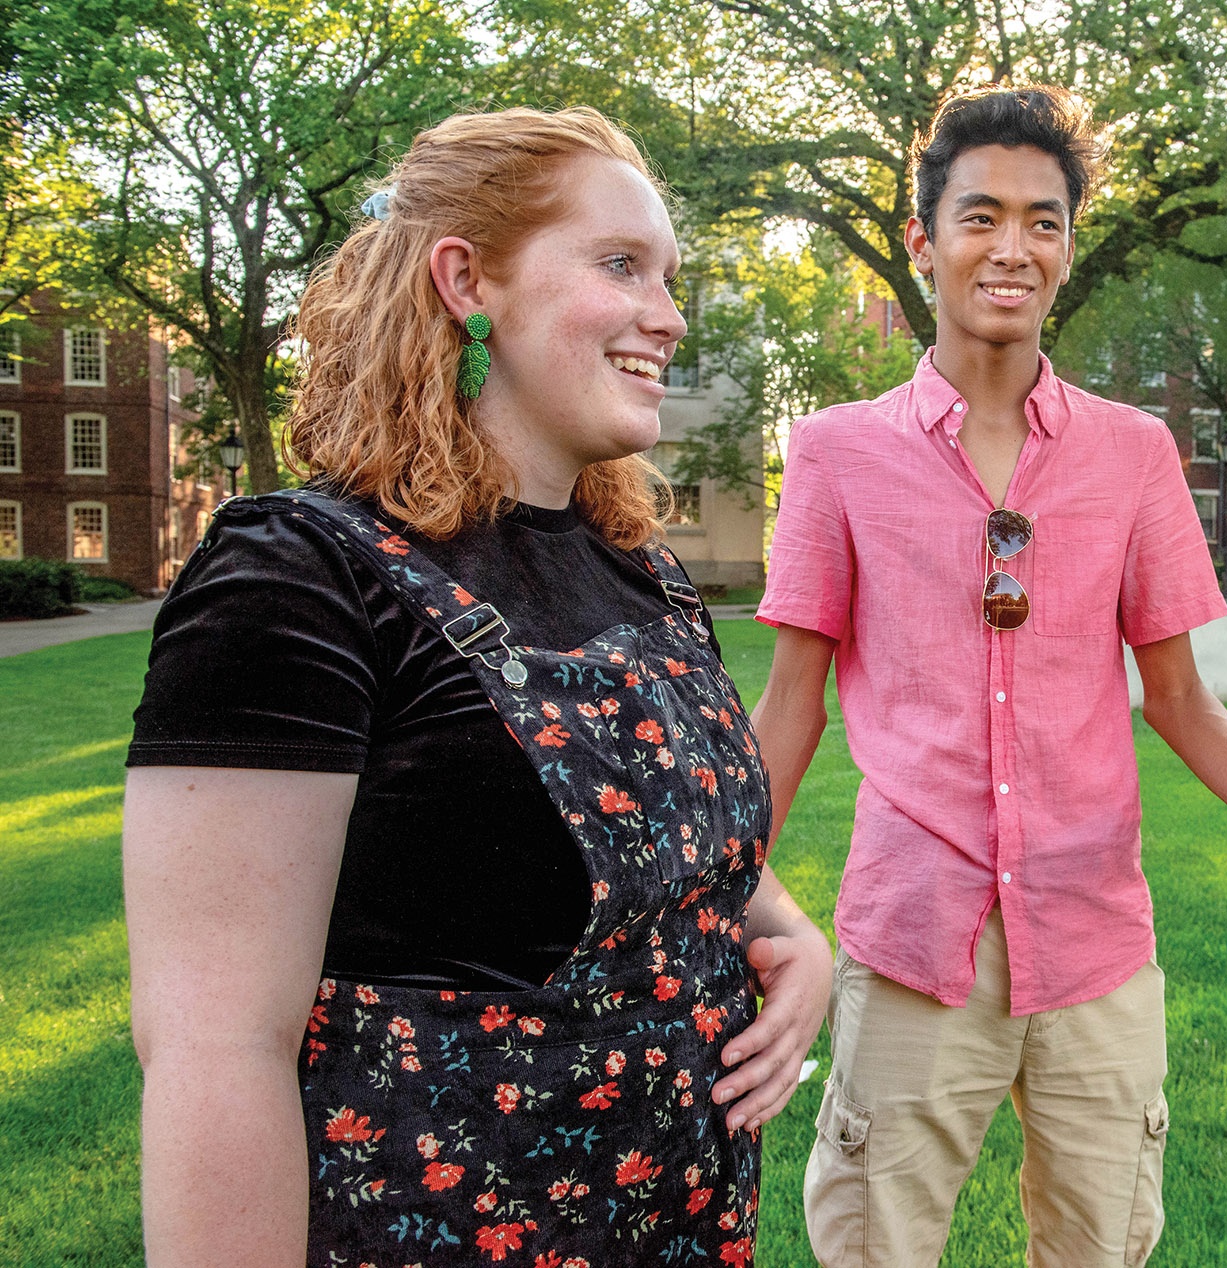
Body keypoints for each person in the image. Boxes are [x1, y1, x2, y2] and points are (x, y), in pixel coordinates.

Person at [748, 85, 1227, 1268]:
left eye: (1044, 221)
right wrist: (712, 891)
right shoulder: (837, 451)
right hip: (912, 939)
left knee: (1101, 1248)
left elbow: (1180, 691)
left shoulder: (1134, 451)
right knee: (873, 1247)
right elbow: (791, 707)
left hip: (1095, 942)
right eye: (980, 215)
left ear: (1068, 248)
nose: (1012, 247)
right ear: (921, 237)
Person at [121, 107, 830, 1267]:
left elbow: (646, 831)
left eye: (669, 275)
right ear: (466, 281)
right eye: (620, 265)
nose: (669, 314)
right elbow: (211, 1048)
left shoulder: (640, 572)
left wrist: (793, 934)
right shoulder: (296, 578)